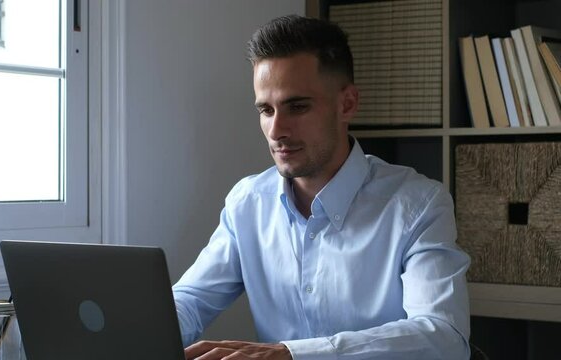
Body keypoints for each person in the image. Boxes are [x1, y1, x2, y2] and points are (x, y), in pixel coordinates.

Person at [172, 15, 470, 360]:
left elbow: (444, 337)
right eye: (266, 110)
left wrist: (291, 354)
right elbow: (189, 302)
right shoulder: (248, 203)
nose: (276, 130)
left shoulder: (418, 204)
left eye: (297, 107)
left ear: (347, 104)